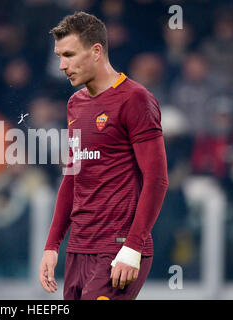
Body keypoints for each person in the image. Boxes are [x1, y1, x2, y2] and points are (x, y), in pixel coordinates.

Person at [39, 12, 169, 300]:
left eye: (70, 55)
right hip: (78, 248)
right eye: (60, 56)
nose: (62, 66)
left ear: (96, 51)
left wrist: (134, 246)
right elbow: (72, 180)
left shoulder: (136, 99)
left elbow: (157, 180)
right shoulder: (75, 104)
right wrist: (52, 245)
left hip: (118, 248)